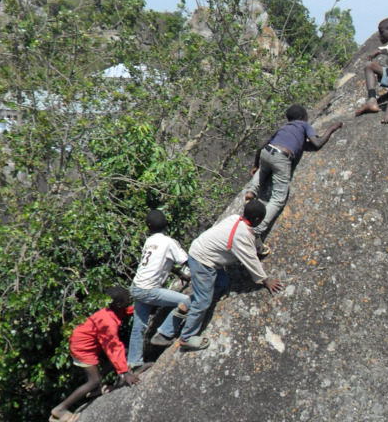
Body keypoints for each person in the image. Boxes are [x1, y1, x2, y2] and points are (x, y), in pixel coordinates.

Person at [168, 200, 284, 350]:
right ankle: (186, 338)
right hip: (202, 260)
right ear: (257, 220)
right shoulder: (241, 236)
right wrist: (265, 280)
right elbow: (251, 260)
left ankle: (187, 305)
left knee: (222, 282)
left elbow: (253, 237)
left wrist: (260, 248)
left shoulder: (236, 218)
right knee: (203, 301)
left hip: (203, 252)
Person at [245, 105, 343, 254]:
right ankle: (257, 230)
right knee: (278, 199)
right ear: (303, 118)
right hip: (281, 157)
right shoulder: (304, 125)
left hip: (267, 152)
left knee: (264, 169)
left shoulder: (284, 128)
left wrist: (255, 165)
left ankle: (252, 191)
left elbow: (261, 147)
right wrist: (332, 128)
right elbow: (316, 144)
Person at [51, 288, 140, 422]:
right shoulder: (108, 323)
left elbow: (126, 311)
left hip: (84, 342)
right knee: (94, 381)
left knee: (124, 353)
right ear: (119, 304)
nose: (130, 301)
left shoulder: (113, 310)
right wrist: (125, 373)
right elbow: (114, 348)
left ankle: (95, 389)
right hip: (82, 349)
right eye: (128, 299)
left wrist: (148, 309)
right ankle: (60, 409)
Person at [127, 210, 192, 367]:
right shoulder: (168, 242)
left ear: (148, 229)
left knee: (138, 327)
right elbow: (187, 261)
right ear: (166, 224)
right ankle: (164, 333)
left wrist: (179, 274)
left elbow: (162, 262)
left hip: (137, 287)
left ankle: (134, 364)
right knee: (187, 301)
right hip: (149, 290)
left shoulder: (149, 241)